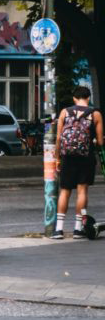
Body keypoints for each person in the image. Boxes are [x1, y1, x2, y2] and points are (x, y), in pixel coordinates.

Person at [53, 86, 105, 239]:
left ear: (74, 98)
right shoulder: (95, 114)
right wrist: (94, 140)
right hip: (86, 157)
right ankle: (77, 229)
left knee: (65, 191)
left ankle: (58, 229)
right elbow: (100, 142)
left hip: (67, 156)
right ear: (88, 98)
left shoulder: (65, 112)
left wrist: (57, 158)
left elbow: (58, 138)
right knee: (82, 191)